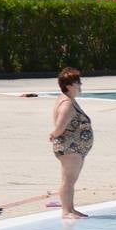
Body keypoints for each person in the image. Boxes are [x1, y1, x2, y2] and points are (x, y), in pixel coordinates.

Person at [48, 67, 93, 220]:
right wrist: (54, 134)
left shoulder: (70, 101)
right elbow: (60, 126)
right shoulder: (66, 104)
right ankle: (66, 211)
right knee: (68, 180)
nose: (80, 85)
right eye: (77, 82)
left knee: (70, 180)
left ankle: (71, 208)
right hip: (69, 148)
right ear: (68, 85)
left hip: (74, 148)